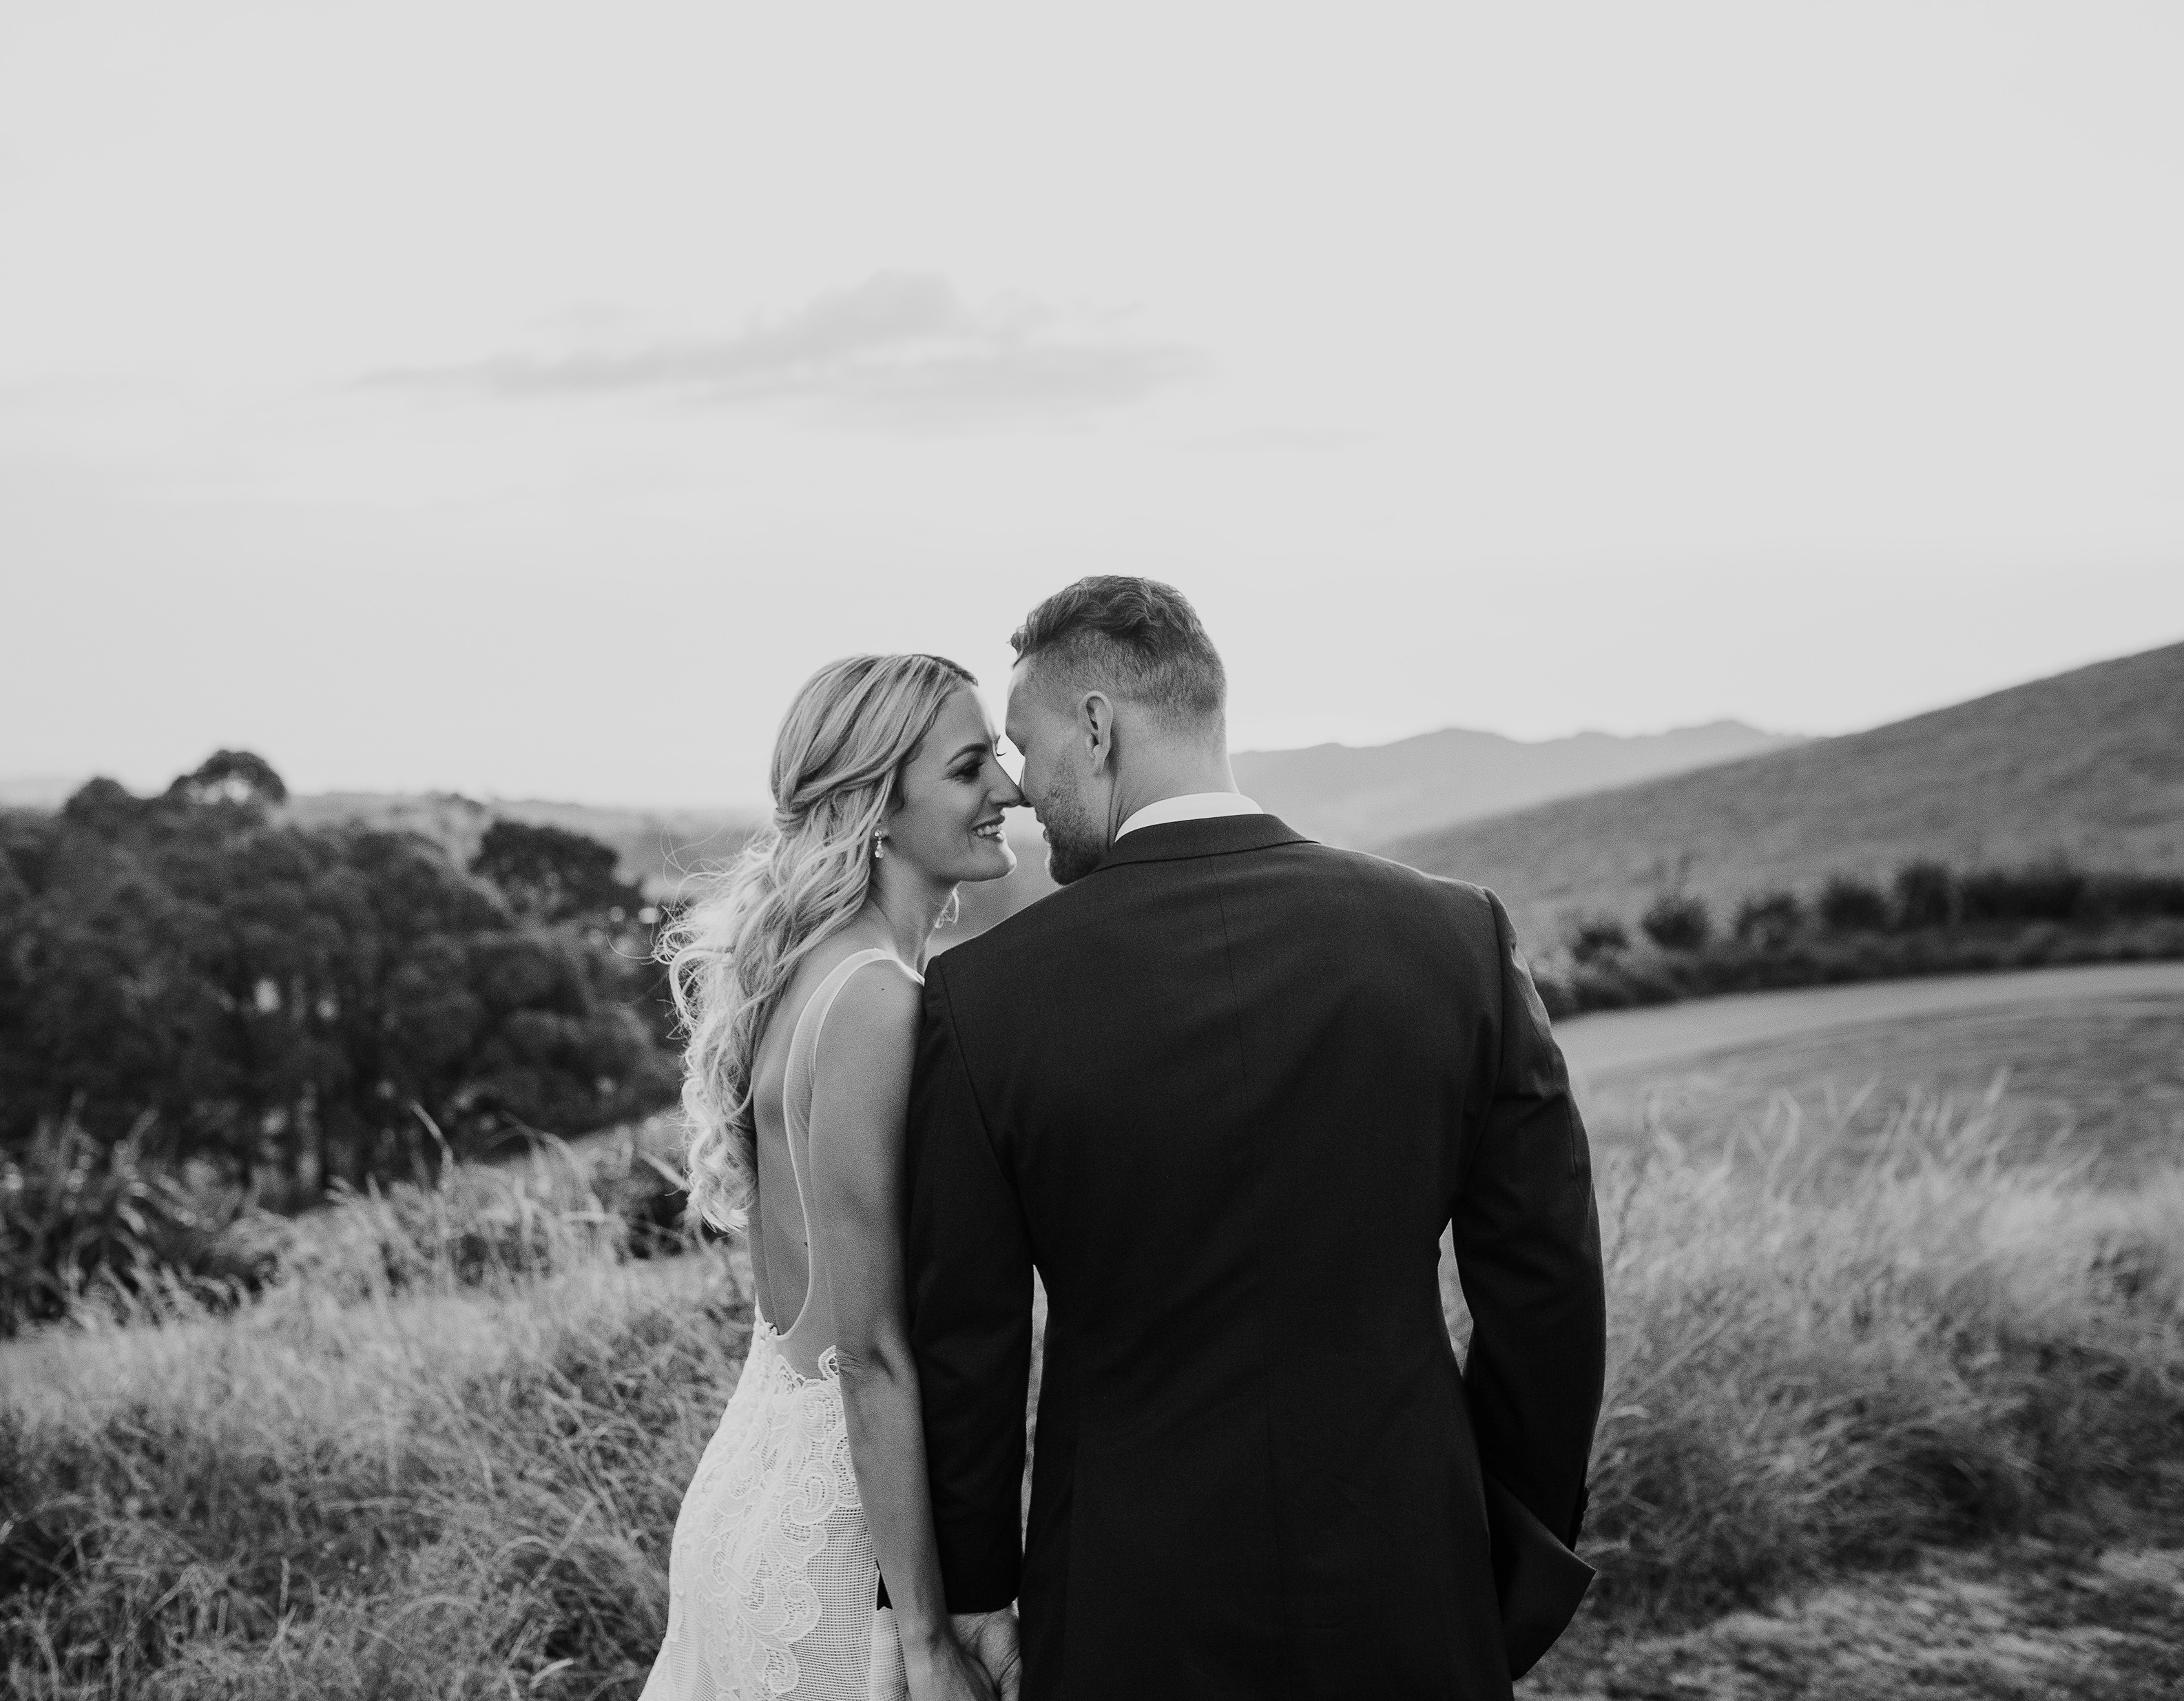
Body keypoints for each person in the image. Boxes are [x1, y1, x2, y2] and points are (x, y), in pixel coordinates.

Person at [906, 575, 1608, 1698]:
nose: (1023, 789)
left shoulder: (983, 1000)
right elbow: (1547, 1284)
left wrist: (979, 1593)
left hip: (1126, 1606)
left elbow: (966, 1347)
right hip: (1413, 1576)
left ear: (1099, 726)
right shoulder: (1454, 939)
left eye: (1028, 749)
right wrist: (1502, 1548)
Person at [643, 652, 1029, 1701]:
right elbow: (868, 1356)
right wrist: (926, 1640)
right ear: (875, 805)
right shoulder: (874, 1000)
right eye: (969, 768)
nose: (1010, 787)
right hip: (836, 1555)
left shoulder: (807, 971)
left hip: (756, 1485)